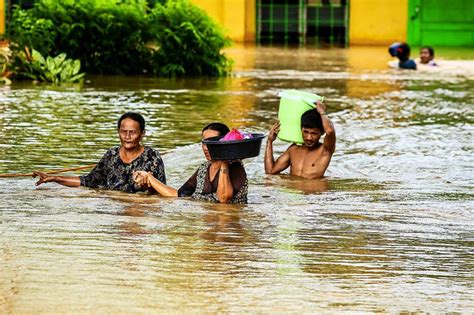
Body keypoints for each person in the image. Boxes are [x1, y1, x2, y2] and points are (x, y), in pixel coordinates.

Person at [33, 112, 166, 193]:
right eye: (123, 131)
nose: (127, 136)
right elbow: (89, 181)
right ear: (118, 132)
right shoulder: (111, 155)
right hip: (114, 207)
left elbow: (163, 193)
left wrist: (148, 186)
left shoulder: (152, 156)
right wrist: (55, 178)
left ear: (142, 134)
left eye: (132, 132)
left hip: (139, 209)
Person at [133, 123, 248, 204]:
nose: (206, 148)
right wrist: (149, 177)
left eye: (212, 142)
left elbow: (224, 200)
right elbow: (179, 195)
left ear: (224, 143)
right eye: (204, 143)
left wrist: (224, 162)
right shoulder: (204, 169)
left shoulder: (235, 167)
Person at [265, 101, 336, 179]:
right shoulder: (293, 149)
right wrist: (270, 141)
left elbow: (330, 131)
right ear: (301, 129)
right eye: (305, 132)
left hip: (314, 190)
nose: (309, 137)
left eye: (314, 133)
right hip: (294, 190)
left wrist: (322, 112)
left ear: (322, 133)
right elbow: (270, 171)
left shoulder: (325, 150)